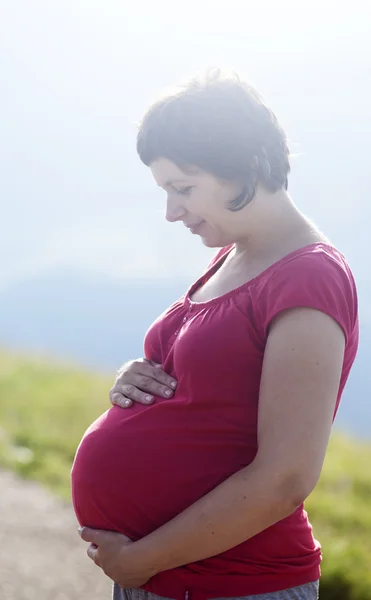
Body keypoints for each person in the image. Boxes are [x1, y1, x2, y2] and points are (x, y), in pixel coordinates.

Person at [71, 68, 359, 600]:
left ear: (246, 166)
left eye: (184, 188)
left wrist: (139, 559)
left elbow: (285, 478)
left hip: (236, 585)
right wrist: (138, 378)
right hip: (167, 580)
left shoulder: (309, 275)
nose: (171, 211)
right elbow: (211, 390)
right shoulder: (234, 256)